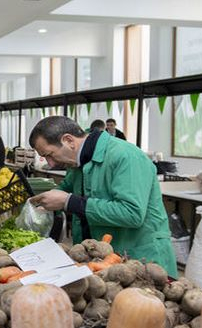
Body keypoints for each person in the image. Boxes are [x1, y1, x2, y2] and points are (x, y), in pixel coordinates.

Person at [28, 116, 176, 276]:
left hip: (141, 261)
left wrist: (68, 201)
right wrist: (42, 205)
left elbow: (131, 213)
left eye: (50, 154)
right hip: (102, 260)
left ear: (69, 140)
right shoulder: (78, 163)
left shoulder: (126, 156)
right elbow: (66, 189)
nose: (50, 164)